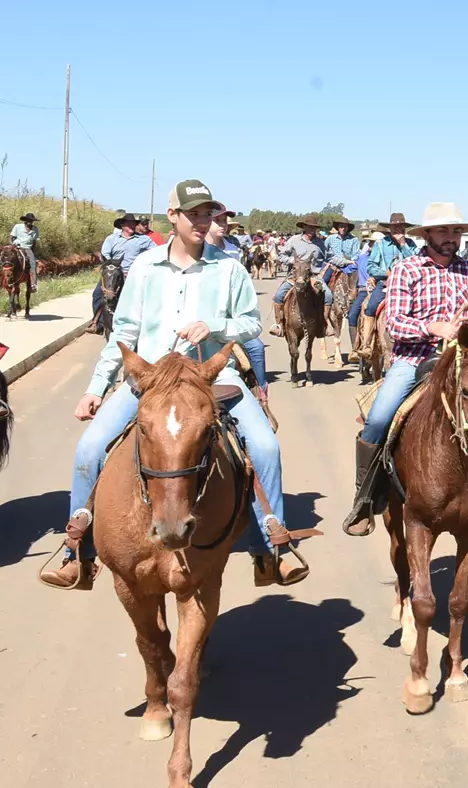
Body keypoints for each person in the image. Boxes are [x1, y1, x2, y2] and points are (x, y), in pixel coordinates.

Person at [39, 179, 307, 590]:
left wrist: (214, 324)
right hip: (149, 380)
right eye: (193, 214)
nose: (202, 222)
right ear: (173, 217)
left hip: (211, 379)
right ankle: (79, 552)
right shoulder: (146, 266)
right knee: (90, 448)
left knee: (266, 447)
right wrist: (96, 387)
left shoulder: (229, 267)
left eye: (207, 214)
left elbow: (251, 324)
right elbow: (125, 331)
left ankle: (271, 546)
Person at [343, 203, 468, 537]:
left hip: (461, 363)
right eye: (443, 231)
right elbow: (395, 323)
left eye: (456, 232)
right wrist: (433, 328)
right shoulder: (407, 270)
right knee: (380, 418)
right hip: (414, 360)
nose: (451, 238)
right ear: (426, 235)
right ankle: (365, 497)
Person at [206, 206, 270, 406]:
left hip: (232, 319)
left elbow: (241, 286)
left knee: (257, 347)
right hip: (201, 322)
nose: (223, 226)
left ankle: (261, 392)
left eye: (225, 222)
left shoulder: (233, 249)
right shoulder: (192, 253)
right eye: (219, 221)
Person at [270, 215, 331, 336]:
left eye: (314, 227)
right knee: (279, 296)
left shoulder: (320, 243)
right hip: (295, 276)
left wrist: (345, 262)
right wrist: (293, 261)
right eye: (310, 227)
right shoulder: (294, 240)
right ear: (304, 227)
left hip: (313, 276)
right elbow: (281, 255)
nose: (312, 229)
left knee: (328, 295)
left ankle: (324, 324)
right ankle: (279, 324)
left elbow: (329, 257)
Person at [92, 213, 154, 320]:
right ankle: (98, 323)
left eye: (133, 224)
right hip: (112, 273)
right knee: (98, 295)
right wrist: (113, 264)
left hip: (132, 275)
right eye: (129, 224)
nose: (132, 226)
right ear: (123, 226)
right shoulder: (111, 239)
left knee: (143, 297)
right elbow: (105, 254)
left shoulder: (144, 239)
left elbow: (155, 251)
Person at [362, 212, 417, 320]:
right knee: (371, 307)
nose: (398, 229)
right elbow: (370, 266)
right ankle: (367, 337)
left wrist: (402, 244)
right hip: (385, 283)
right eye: (394, 226)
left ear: (404, 228)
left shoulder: (410, 244)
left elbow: (416, 263)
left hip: (409, 284)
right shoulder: (380, 244)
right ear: (390, 228)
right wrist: (385, 273)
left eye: (400, 226)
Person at [322, 216, 361, 297]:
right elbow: (324, 251)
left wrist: (351, 261)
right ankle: (322, 302)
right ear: (338, 228)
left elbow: (356, 253)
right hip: (334, 265)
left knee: (359, 283)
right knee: (324, 282)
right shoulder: (330, 239)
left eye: (345, 227)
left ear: (348, 228)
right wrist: (327, 262)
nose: (343, 228)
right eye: (341, 226)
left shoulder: (354, 239)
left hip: (349, 266)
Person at [8, 211, 40, 292]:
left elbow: (34, 242)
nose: (30, 222)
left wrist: (32, 252)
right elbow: (11, 238)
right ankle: (6, 281)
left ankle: (33, 284)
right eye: (29, 220)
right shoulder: (18, 227)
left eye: (32, 221)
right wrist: (13, 246)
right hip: (17, 247)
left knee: (33, 263)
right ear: (25, 220)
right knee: (6, 259)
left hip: (27, 248)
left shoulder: (35, 229)